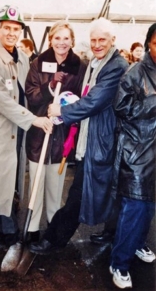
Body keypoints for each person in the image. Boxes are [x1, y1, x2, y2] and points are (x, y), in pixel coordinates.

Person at [28, 17, 129, 255]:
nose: (96, 44)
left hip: (100, 141)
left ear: (113, 40)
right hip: (89, 138)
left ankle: (53, 240)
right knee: (108, 190)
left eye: (102, 39)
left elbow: (94, 101)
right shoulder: (94, 63)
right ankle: (112, 233)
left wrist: (62, 110)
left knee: (79, 194)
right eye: (93, 40)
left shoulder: (114, 66)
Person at [0, 4, 52, 253]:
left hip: (17, 128)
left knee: (11, 177)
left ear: (20, 31)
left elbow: (29, 90)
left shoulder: (22, 57)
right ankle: (6, 229)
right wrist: (33, 120)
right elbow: (0, 100)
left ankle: (0, 223)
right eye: (6, 28)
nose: (11, 33)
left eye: (15, 29)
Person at [25, 20, 87, 243]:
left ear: (72, 40)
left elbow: (84, 99)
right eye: (57, 38)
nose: (61, 43)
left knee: (55, 186)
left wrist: (64, 109)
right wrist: (50, 86)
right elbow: (31, 95)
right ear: (50, 39)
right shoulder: (38, 63)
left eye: (66, 38)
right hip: (39, 134)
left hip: (63, 136)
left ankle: (53, 228)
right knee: (36, 183)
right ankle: (31, 229)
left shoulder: (80, 66)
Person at [109, 23, 156, 289]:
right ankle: (119, 263)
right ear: (149, 43)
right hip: (137, 153)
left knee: (149, 208)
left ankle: (137, 244)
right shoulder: (135, 72)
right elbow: (121, 107)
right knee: (135, 208)